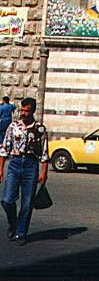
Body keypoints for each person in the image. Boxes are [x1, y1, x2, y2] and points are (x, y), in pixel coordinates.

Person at [0, 97, 49, 245]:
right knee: (7, 200)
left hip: (31, 166)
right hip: (14, 164)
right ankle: (13, 223)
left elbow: (44, 153)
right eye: (22, 110)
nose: (23, 113)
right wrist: (1, 169)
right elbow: (4, 149)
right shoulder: (13, 127)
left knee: (27, 203)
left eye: (26, 111)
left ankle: (21, 233)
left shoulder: (40, 129)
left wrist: (44, 172)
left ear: (33, 111)